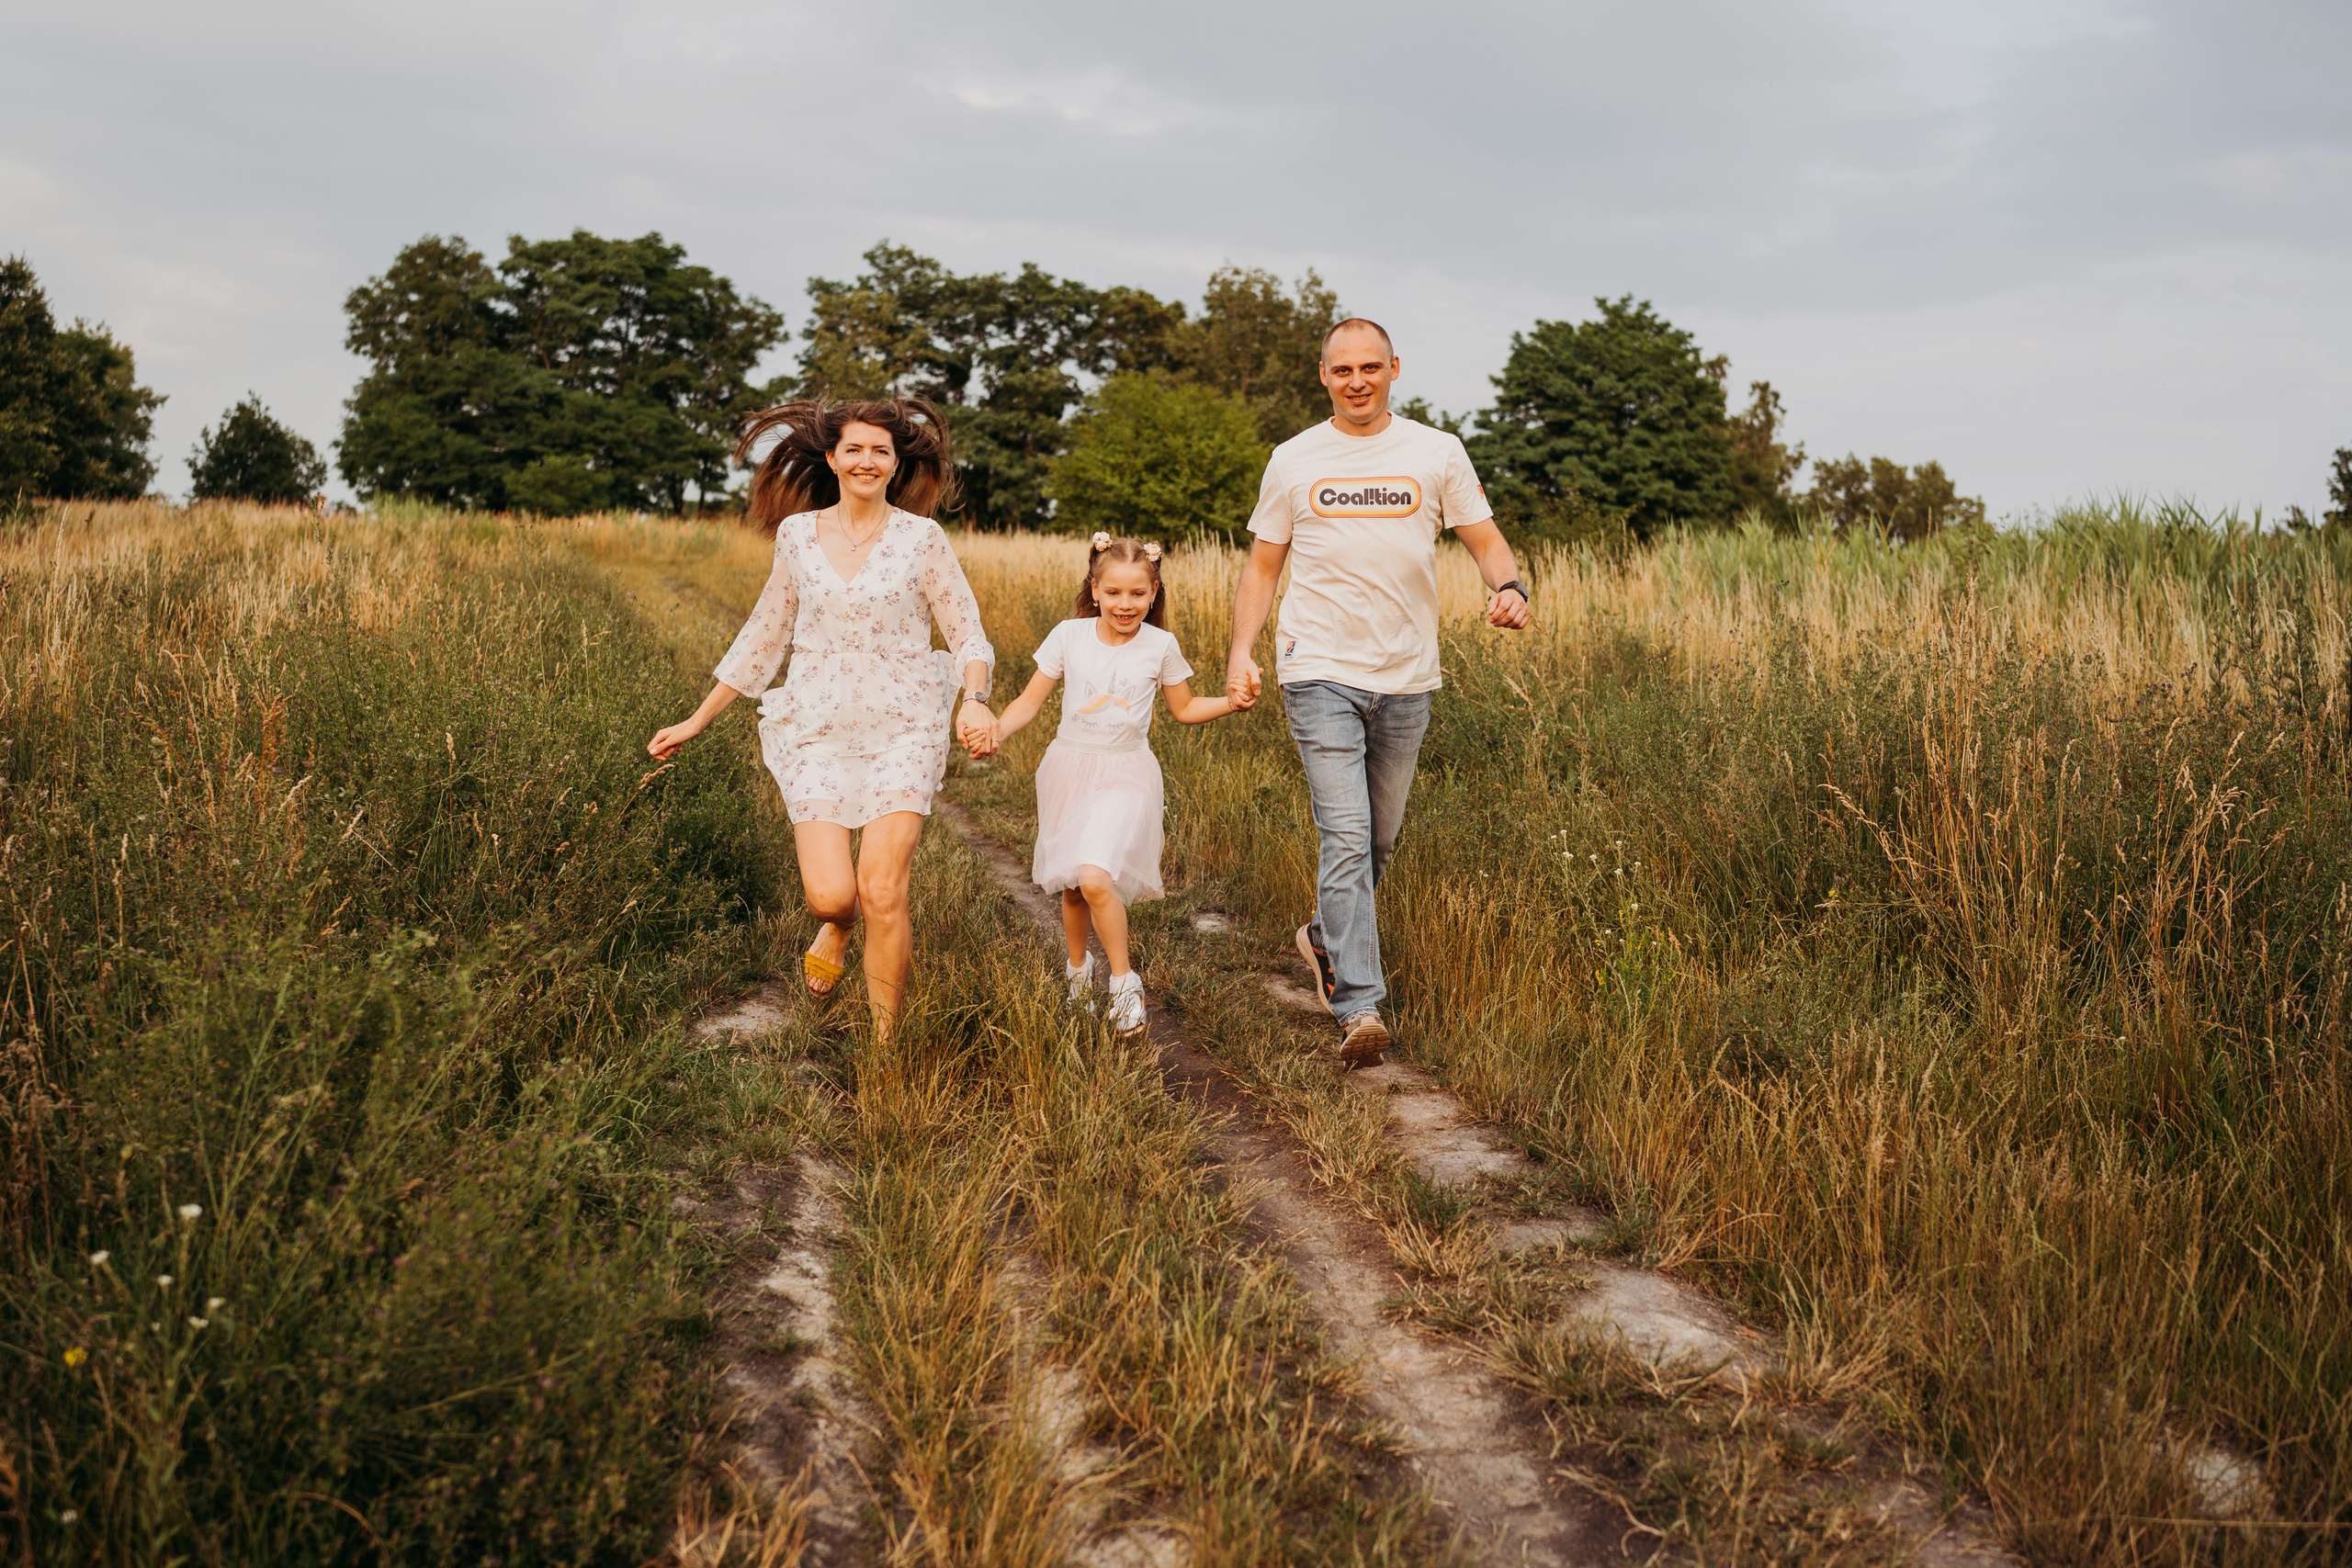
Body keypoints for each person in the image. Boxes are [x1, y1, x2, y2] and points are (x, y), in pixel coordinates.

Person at [1224, 319, 1532, 1067]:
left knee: (1380, 840)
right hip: (1318, 667)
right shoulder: (1293, 458)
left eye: (1370, 367)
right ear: (1322, 375)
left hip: (1406, 675)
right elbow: (1264, 566)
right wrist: (1241, 652)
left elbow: (1485, 540)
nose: (1356, 381)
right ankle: (1359, 1007)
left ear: (1394, 368)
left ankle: (1324, 937)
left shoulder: (1436, 451)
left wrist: (1511, 585)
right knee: (1347, 836)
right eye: (1342, 370)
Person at [648, 399, 995, 1041]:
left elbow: (968, 636)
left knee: (883, 886)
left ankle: (886, 1046)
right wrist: (697, 719)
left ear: (896, 463)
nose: (868, 460)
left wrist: (973, 698)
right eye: (855, 449)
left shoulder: (923, 539)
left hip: (904, 721)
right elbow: (764, 634)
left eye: (881, 451)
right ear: (832, 457)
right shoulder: (797, 536)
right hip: (817, 720)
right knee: (832, 895)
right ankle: (836, 926)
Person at [966, 534, 1248, 1036]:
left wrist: (1231, 702)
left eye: (1137, 594)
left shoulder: (1160, 646)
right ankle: (1078, 976)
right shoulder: (1068, 636)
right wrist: (996, 732)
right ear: (1094, 589)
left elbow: (1184, 710)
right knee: (1074, 887)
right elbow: (1030, 703)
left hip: (1126, 772)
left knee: (1096, 876)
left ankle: (1123, 984)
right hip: (1068, 769)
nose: (1125, 604)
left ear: (1154, 593)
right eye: (1113, 592)